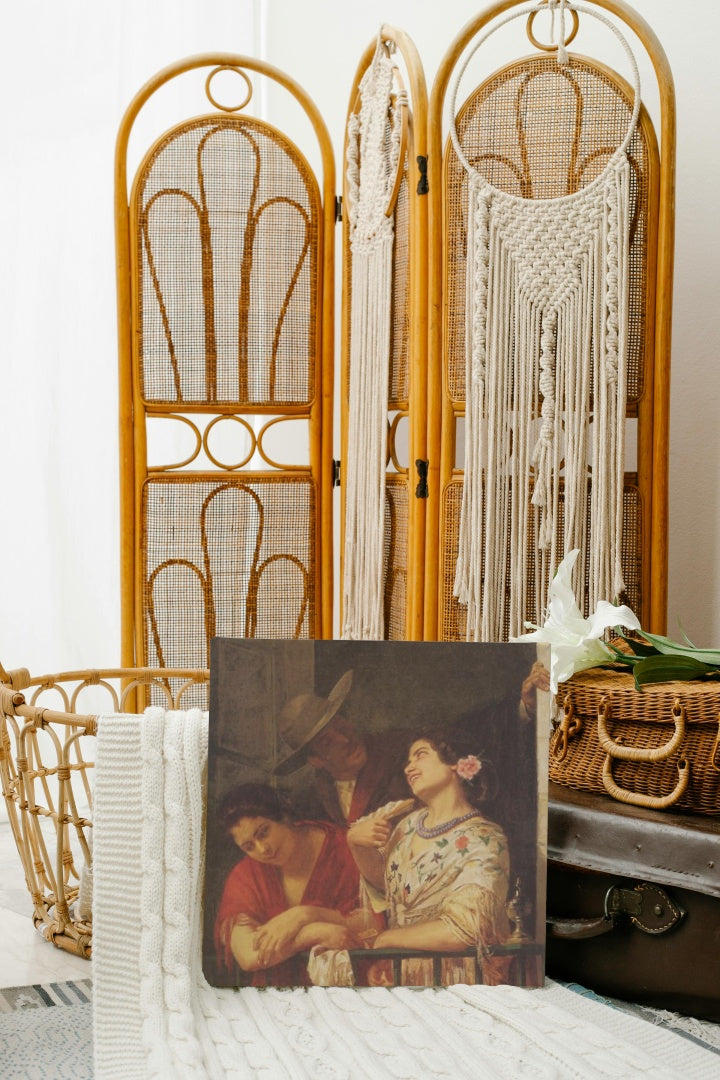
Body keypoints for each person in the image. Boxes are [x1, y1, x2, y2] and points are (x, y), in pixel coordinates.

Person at [347, 727, 512, 986]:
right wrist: (356, 844)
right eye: (408, 760)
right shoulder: (407, 826)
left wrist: (387, 940)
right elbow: (386, 887)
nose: (408, 768)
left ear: (456, 764)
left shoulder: (484, 837)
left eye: (420, 755)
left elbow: (466, 930)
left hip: (455, 976)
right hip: (398, 973)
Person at [214, 783, 363, 986]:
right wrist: (312, 933)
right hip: (276, 998)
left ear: (283, 816)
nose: (262, 849)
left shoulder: (345, 848)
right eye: (249, 846)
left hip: (347, 987)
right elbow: (247, 955)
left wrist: (303, 915)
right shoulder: (246, 875)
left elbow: (371, 923)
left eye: (264, 832)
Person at [273, 670, 411, 824]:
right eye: (327, 742)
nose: (344, 740)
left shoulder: (399, 753)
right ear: (316, 760)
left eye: (340, 726)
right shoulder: (311, 802)